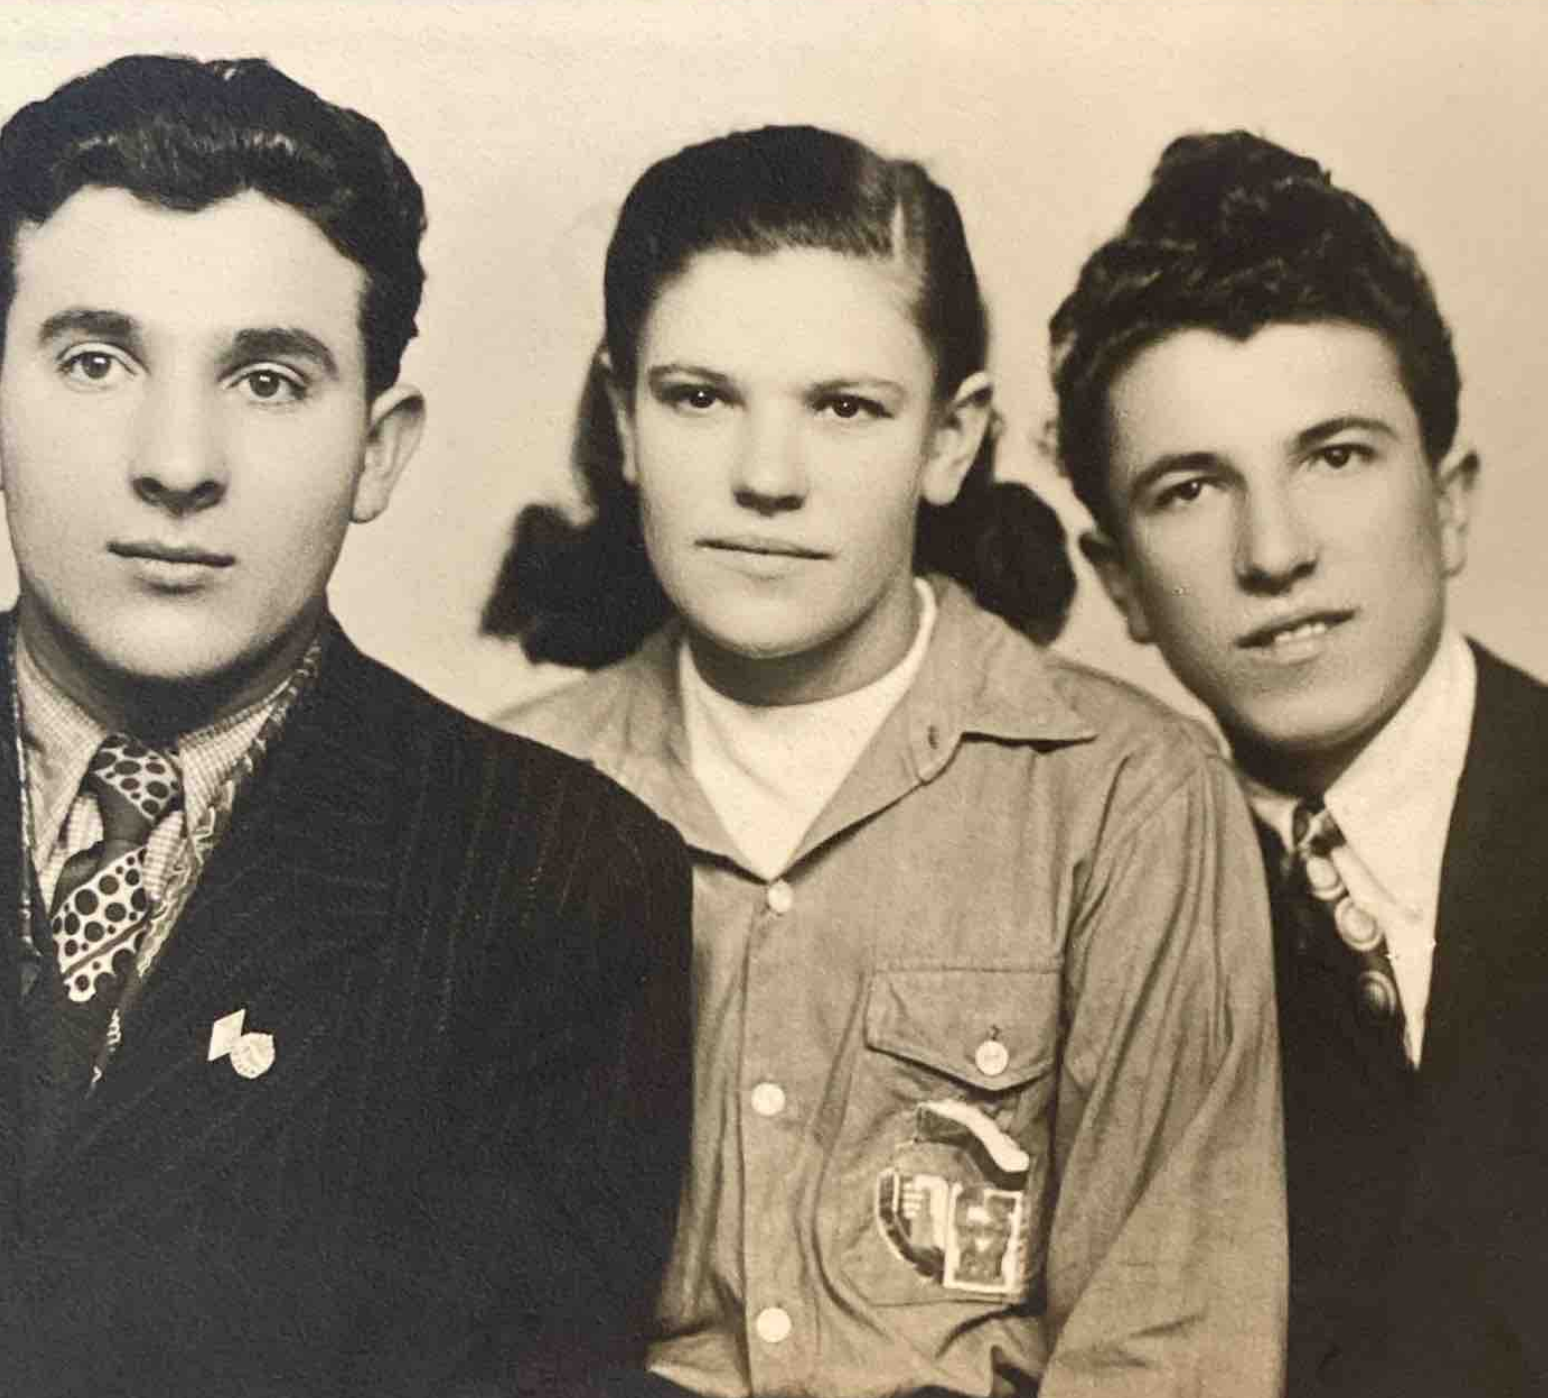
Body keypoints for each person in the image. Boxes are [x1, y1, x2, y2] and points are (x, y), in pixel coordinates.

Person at [0, 54, 693, 1397]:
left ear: (380, 448)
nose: (177, 463)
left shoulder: (556, 881)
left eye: (268, 379)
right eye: (97, 360)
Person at [484, 125, 1284, 1398]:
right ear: (622, 417)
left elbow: (1169, 1349)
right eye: (699, 398)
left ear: (950, 438)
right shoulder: (499, 805)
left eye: (845, 408)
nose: (765, 478)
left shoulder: (1125, 800)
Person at [1053, 130, 1548, 1397]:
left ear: (1449, 498)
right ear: (1118, 583)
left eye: (1335, 456)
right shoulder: (1097, 916)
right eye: (1189, 488)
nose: (1273, 551)